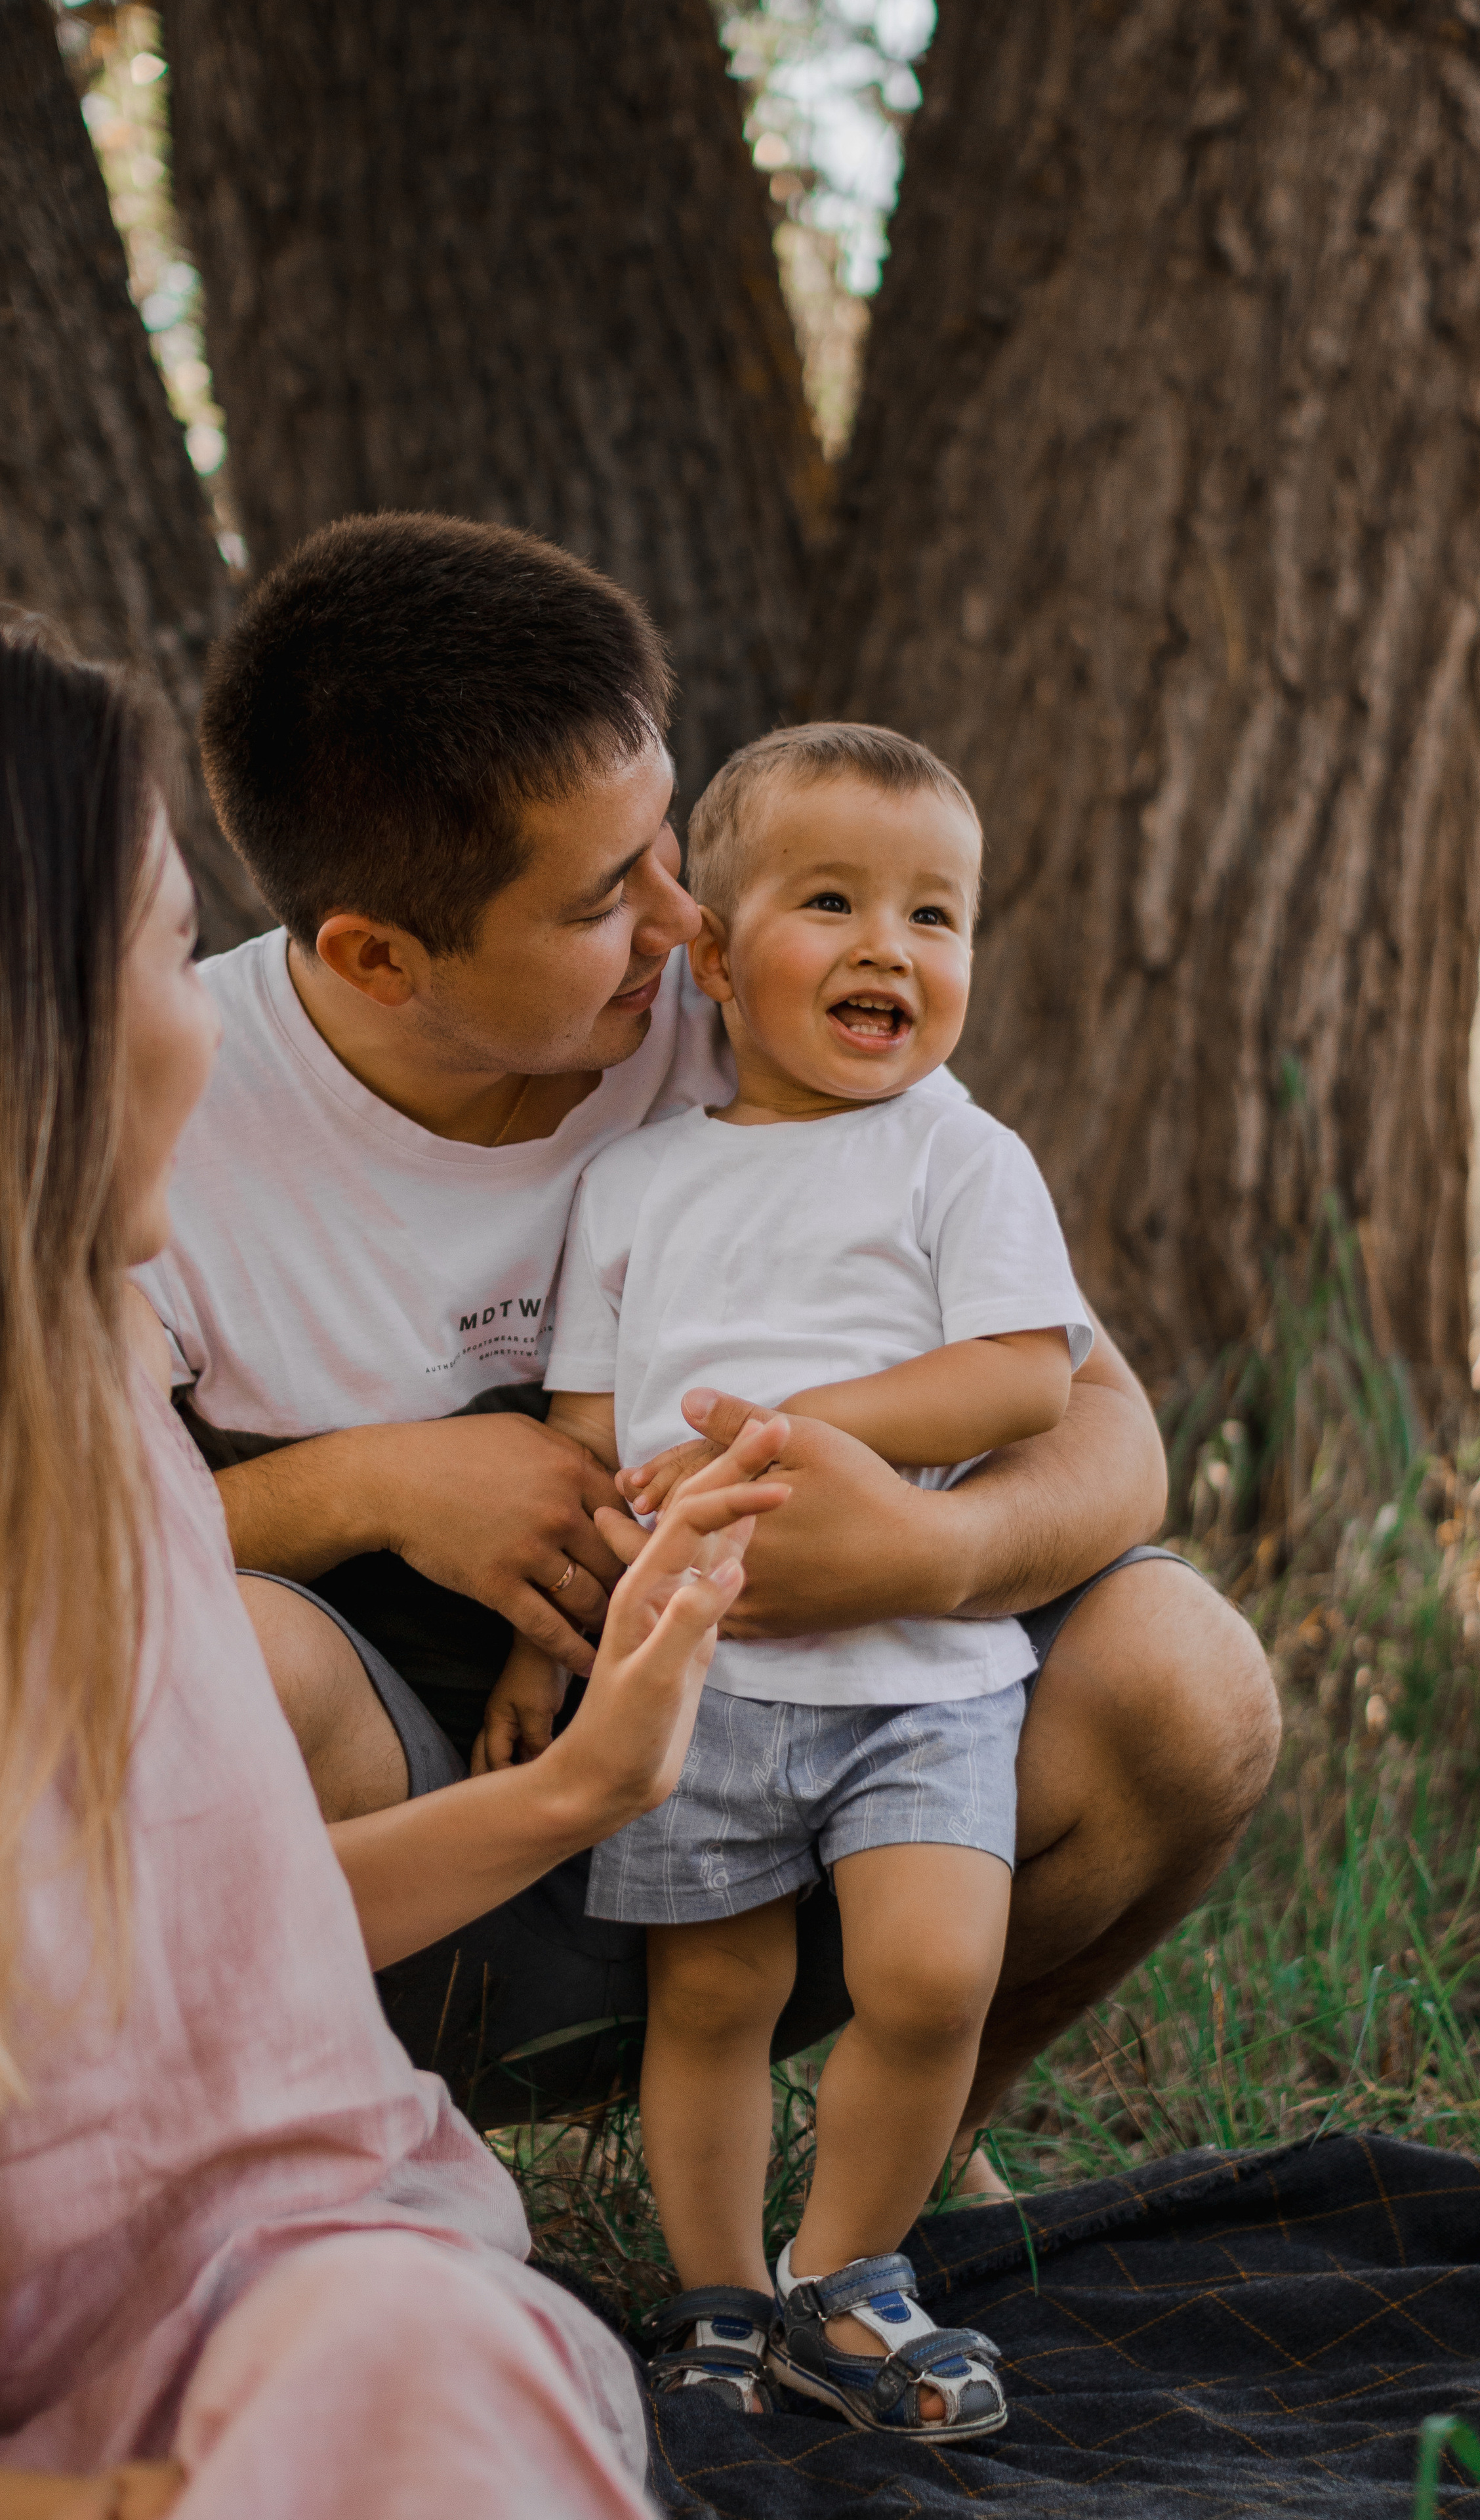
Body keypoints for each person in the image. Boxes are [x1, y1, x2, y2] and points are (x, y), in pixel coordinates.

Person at [131, 512, 1280, 2158]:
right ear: (376, 955)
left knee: (1189, 1681)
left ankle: (894, 2172)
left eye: (671, 844)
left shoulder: (745, 1003)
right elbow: (53, 1583)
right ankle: (303, 2173)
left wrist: (926, 1558)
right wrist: (371, 1487)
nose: (688, 923)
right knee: (220, 1652)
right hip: (407, 1851)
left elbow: (1109, 1434)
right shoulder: (160, 1114)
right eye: (606, 898)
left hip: (826, 1756)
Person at [0, 617, 789, 2517]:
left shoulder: (88, 1391)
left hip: (320, 2288)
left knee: (400, 2360)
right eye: (154, 949)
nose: (201, 1003)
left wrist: (599, 1779)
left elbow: (212, 1965)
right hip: (174, 2367)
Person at [513, 723, 1087, 2433]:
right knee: (717, 1994)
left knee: (929, 1974)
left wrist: (792, 1431)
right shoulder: (633, 1181)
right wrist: (550, 1645)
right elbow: (584, 1436)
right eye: (831, 902)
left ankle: (848, 2279)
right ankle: (716, 2296)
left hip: (921, 1671)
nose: (887, 950)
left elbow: (1021, 1378)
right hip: (701, 1680)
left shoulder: (958, 1156)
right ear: (711, 948)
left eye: (934, 916)